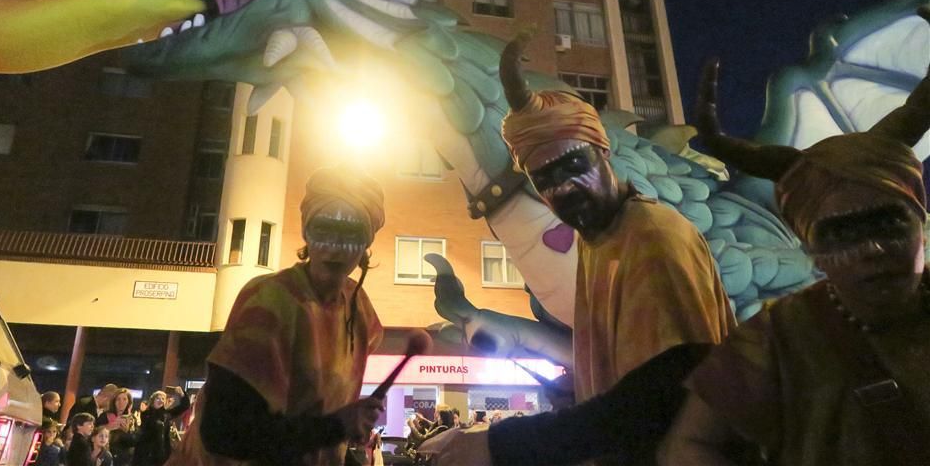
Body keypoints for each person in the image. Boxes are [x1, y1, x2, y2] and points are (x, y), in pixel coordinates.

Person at [424, 35, 734, 466]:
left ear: (603, 151)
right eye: (544, 179)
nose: (563, 188)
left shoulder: (653, 237)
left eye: (575, 166)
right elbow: (630, 384)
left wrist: (501, 444)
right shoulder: (598, 241)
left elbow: (665, 393)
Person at [658, 62, 930, 466]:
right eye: (842, 232)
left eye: (887, 223)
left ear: (920, 224)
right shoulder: (777, 336)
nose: (871, 248)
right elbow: (690, 445)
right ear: (811, 248)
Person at [166, 165, 388, 466]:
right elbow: (224, 431)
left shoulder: (359, 310)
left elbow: (314, 428)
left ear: (366, 244)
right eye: (324, 229)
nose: (335, 247)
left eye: (351, 232)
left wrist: (343, 431)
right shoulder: (269, 302)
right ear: (307, 232)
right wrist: (336, 426)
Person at [133, 388, 189, 466]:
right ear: (152, 400)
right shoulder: (146, 413)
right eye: (158, 398)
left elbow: (185, 406)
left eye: (163, 398)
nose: (160, 400)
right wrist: (164, 409)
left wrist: (182, 394)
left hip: (162, 453)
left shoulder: (166, 414)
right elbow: (152, 425)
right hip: (147, 454)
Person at [97, 388, 137, 466]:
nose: (121, 402)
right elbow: (95, 433)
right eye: (118, 399)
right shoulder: (105, 416)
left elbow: (134, 441)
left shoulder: (132, 419)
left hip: (124, 459)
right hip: (106, 456)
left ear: (128, 402)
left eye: (124, 399)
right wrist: (109, 427)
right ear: (114, 402)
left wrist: (127, 431)